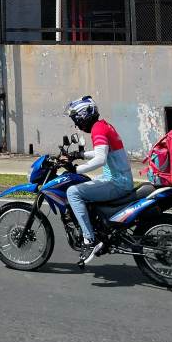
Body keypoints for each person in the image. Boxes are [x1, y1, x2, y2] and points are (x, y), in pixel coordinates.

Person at [63, 96, 134, 265]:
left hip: (118, 182)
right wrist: (79, 155)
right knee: (84, 183)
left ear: (83, 116)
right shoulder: (103, 125)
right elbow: (101, 151)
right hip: (118, 178)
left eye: (76, 120)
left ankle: (89, 240)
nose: (76, 125)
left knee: (73, 192)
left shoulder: (98, 129)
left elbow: (100, 158)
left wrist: (76, 168)